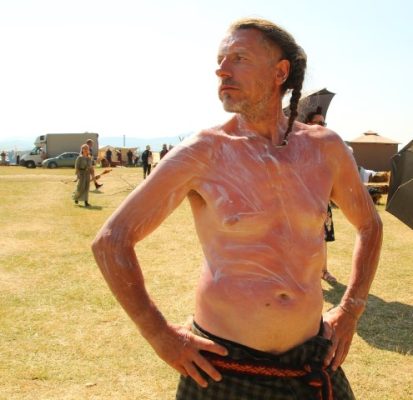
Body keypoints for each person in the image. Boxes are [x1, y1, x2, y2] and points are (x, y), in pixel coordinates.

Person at [92, 18, 382, 400]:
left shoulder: (324, 148)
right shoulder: (204, 152)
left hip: (311, 359)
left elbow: (369, 225)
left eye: (239, 58)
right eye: (220, 60)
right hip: (223, 367)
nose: (222, 70)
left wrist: (351, 310)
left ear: (280, 72)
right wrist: (160, 335)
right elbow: (111, 240)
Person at [305, 108, 337, 284]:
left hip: (322, 198)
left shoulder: (325, 147)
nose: (322, 126)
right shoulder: (297, 145)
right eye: (318, 122)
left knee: (323, 236)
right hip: (301, 199)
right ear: (308, 124)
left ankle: (324, 271)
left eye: (324, 123)